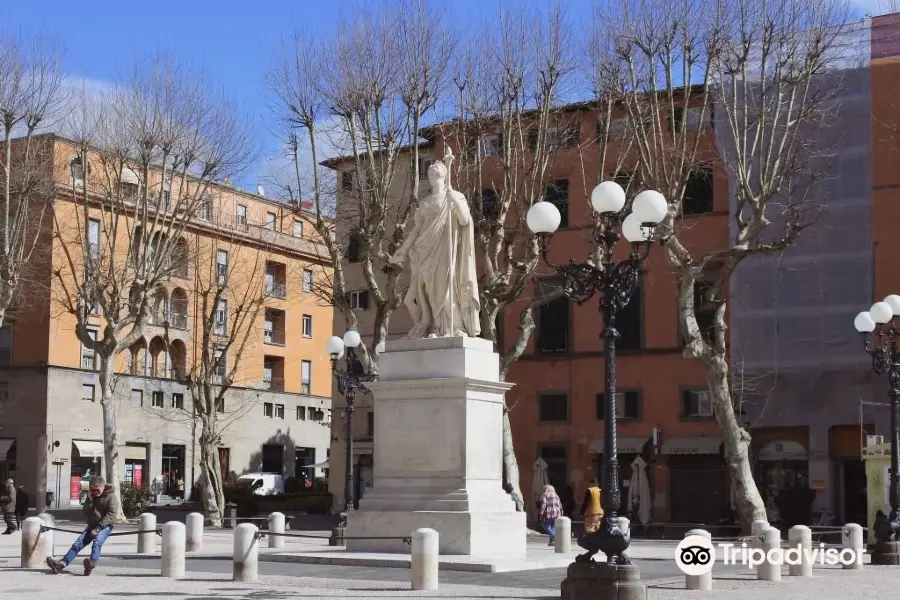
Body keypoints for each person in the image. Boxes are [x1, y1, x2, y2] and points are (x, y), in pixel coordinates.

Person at [46, 476, 119, 575]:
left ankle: (90, 564)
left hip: (105, 526)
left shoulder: (111, 496)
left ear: (103, 487)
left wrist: (98, 528)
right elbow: (85, 512)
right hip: (91, 525)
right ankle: (61, 564)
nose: (95, 492)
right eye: (93, 489)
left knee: (97, 543)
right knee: (77, 544)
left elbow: (111, 515)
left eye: (97, 490)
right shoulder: (91, 496)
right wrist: (89, 500)